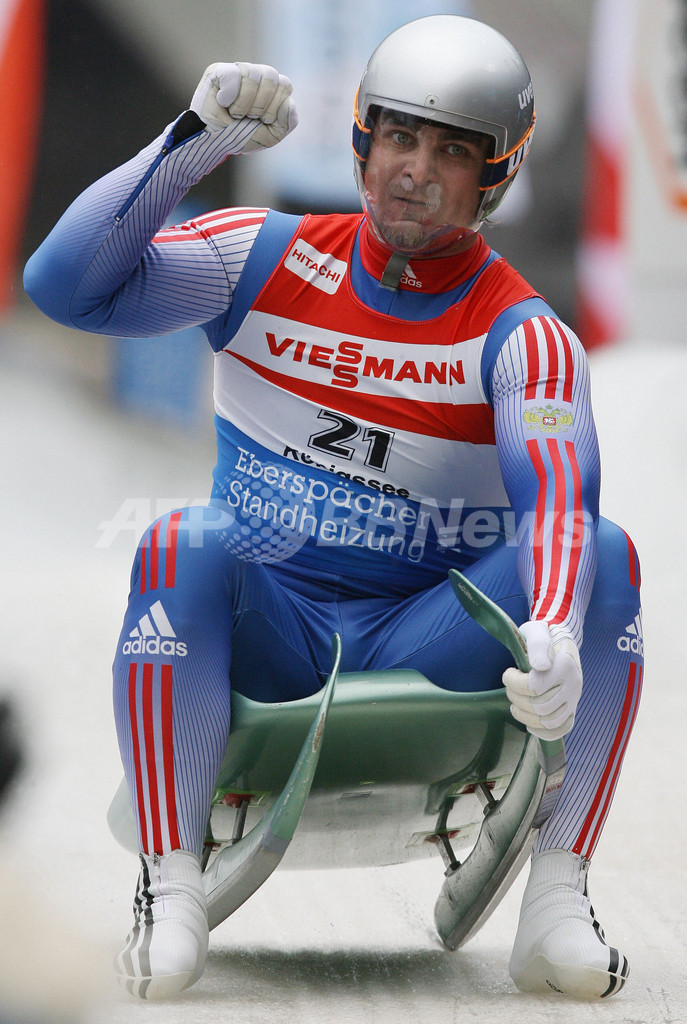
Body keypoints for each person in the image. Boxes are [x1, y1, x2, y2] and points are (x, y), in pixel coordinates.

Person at [24, 15, 643, 1002]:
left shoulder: (525, 335)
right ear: (361, 140)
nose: (416, 171)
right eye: (399, 136)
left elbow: (561, 504)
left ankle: (559, 895)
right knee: (182, 540)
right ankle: (166, 882)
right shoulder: (260, 256)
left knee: (606, 555)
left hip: (426, 633)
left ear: (497, 176)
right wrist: (190, 145)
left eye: (452, 152)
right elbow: (64, 288)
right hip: (276, 625)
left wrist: (558, 628)